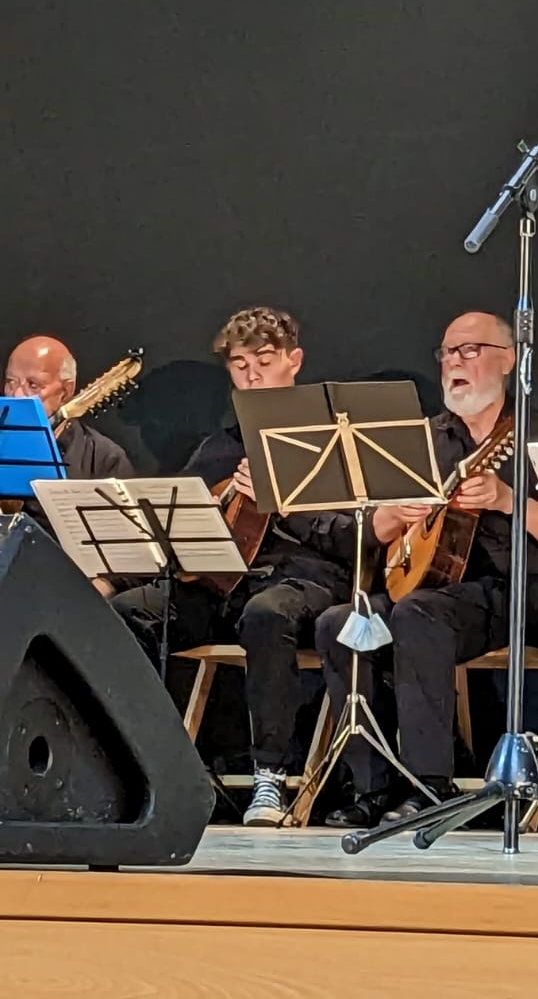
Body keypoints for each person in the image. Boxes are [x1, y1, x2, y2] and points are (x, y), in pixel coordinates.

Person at [316, 310, 538, 828]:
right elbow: (361, 538)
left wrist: (508, 500)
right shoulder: (423, 440)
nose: (454, 363)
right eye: (447, 353)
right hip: (431, 589)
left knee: (418, 615)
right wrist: (387, 520)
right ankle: (375, 784)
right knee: (337, 624)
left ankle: (429, 786)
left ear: (509, 361)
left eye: (469, 351)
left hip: (521, 592)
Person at [111, 306, 365, 827]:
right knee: (125, 616)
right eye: (240, 364)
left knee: (267, 614)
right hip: (222, 583)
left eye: (265, 361)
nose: (252, 375)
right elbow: (177, 529)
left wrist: (285, 500)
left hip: (306, 578)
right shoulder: (219, 446)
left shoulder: (330, 438)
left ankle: (269, 777)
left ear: (294, 362)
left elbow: (353, 536)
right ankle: (147, 760)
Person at [4, 335, 134, 480]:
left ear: (66, 391)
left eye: (33, 385)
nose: (17, 394)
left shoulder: (104, 459)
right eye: (11, 382)